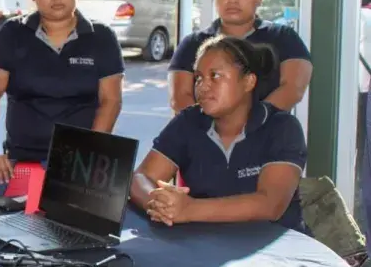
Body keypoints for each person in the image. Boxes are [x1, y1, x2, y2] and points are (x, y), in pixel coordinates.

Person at [132, 36, 308, 232]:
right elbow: (141, 177)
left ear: (248, 82)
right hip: (204, 243)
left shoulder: (281, 127)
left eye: (215, 76)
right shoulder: (189, 122)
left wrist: (189, 209)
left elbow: (270, 204)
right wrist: (159, 204)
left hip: (278, 247)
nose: (202, 86)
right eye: (198, 78)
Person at [0, 0, 124, 182]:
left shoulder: (102, 37)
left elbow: (111, 101)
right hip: (22, 162)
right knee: (11, 209)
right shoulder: (13, 33)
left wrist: (90, 154)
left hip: (80, 165)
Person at [169, 0, 312, 113]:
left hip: (269, 127)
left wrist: (252, 122)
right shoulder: (193, 43)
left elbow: (293, 89)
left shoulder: (283, 38)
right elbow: (180, 98)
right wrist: (211, 126)